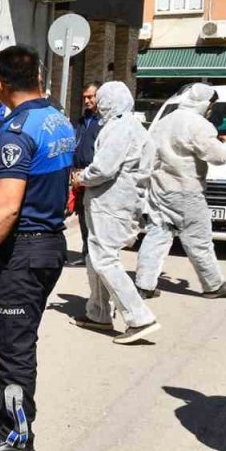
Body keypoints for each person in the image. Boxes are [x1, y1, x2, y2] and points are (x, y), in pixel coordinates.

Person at [0, 45, 75, 451]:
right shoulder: (57, 119)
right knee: (19, 339)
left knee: (13, 346)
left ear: (0, 83)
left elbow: (6, 207)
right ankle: (12, 413)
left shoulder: (17, 132)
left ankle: (17, 434)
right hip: (49, 244)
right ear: (39, 78)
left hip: (24, 250)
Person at [135, 83, 226, 299]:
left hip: (160, 189)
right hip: (187, 191)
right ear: (205, 104)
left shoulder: (164, 122)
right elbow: (218, 157)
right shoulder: (198, 125)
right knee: (199, 239)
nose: (211, 110)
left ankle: (144, 284)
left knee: (157, 235)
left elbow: (148, 158)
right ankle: (213, 285)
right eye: (212, 105)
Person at [74, 82, 160, 344]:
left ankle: (139, 317)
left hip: (110, 203)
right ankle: (98, 312)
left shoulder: (119, 128)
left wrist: (81, 177)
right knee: (96, 256)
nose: (98, 105)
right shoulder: (134, 126)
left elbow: (104, 168)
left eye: (101, 100)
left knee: (105, 260)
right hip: (116, 202)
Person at [68, 81, 104, 268]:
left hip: (95, 176)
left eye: (91, 97)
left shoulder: (104, 121)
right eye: (85, 98)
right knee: (82, 216)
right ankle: (86, 253)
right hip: (79, 176)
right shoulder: (83, 121)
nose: (87, 101)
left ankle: (97, 256)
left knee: (95, 219)